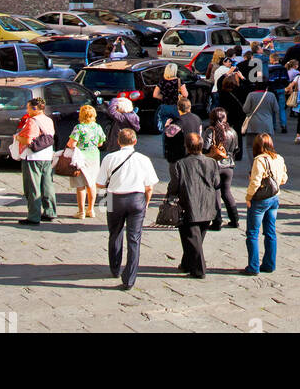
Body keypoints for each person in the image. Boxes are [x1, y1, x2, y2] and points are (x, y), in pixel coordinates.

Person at [97, 127, 158, 289]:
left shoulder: (109, 158)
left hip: (113, 198)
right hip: (136, 198)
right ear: (135, 141)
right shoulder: (144, 159)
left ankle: (115, 268)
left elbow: (100, 183)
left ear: (118, 142)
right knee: (134, 239)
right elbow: (149, 186)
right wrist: (146, 202)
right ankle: (130, 278)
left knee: (114, 233)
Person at [165, 132, 220, 277]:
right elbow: (216, 183)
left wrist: (170, 196)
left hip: (189, 204)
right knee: (195, 238)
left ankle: (199, 270)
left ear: (187, 147)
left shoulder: (180, 164)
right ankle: (186, 264)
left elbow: (174, 185)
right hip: (207, 204)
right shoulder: (212, 162)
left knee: (192, 238)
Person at [243, 133, 288, 275]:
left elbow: (255, 182)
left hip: (260, 200)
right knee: (270, 232)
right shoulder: (279, 158)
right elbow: (284, 178)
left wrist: (248, 197)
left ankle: (253, 266)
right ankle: (269, 264)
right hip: (275, 198)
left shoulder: (259, 160)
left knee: (252, 233)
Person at [14, 96, 57, 225]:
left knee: (32, 187)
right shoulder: (49, 120)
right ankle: (50, 212)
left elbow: (28, 140)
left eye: (28, 107)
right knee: (47, 184)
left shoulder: (32, 121)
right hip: (47, 155)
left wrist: (17, 138)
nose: (27, 110)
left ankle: (33, 216)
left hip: (33, 156)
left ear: (34, 108)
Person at [66, 104, 105, 219]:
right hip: (94, 157)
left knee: (80, 185)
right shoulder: (97, 127)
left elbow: (71, 144)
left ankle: (81, 211)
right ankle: (91, 210)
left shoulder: (79, 127)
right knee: (91, 184)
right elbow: (100, 143)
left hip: (81, 158)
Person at [205, 106, 240, 231]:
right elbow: (236, 149)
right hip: (229, 165)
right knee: (227, 192)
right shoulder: (232, 131)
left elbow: (205, 147)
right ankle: (235, 219)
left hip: (215, 165)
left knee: (216, 193)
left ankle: (217, 221)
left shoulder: (211, 131)